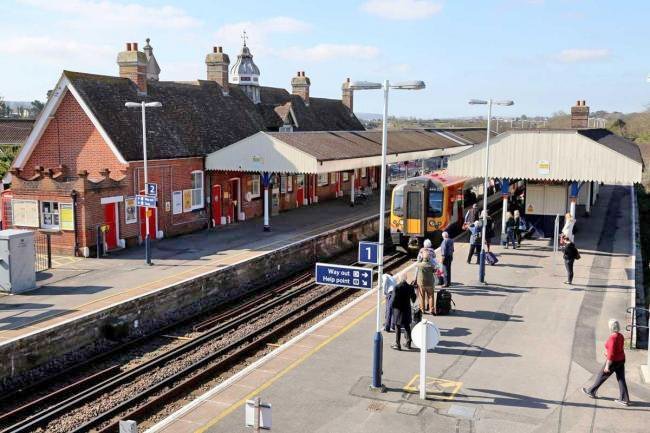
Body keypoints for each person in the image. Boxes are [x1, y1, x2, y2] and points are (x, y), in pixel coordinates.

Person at [582, 319, 630, 406]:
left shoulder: (612, 337)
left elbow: (611, 354)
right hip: (621, 359)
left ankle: (591, 391)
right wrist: (608, 352)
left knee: (601, 375)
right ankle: (624, 399)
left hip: (613, 361)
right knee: (621, 378)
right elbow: (618, 348)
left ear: (611, 327)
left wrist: (607, 366)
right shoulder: (620, 336)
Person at [391, 279, 417, 350]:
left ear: (399, 279)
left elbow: (392, 300)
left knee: (397, 327)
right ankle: (408, 344)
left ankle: (397, 344)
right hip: (407, 309)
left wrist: (392, 308)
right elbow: (414, 299)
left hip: (398, 310)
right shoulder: (410, 287)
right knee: (407, 326)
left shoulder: (396, 287)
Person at [415, 249, 436, 315]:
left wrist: (420, 258)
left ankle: (422, 309)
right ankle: (431, 309)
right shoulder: (431, 265)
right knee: (430, 296)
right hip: (430, 283)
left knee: (422, 297)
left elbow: (416, 264)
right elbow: (434, 270)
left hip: (421, 283)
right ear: (429, 257)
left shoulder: (419, 265)